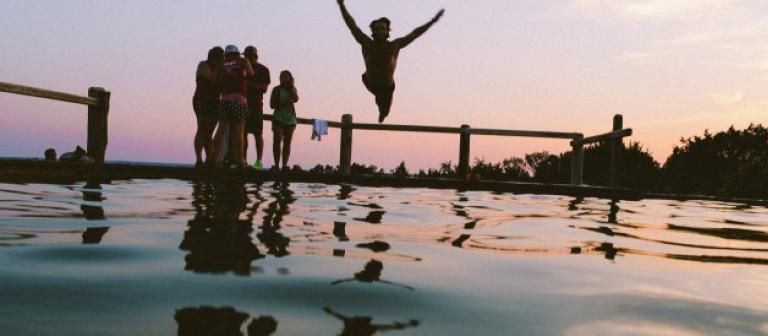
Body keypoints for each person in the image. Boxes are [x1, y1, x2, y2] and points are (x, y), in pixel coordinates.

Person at [336, 0, 444, 123]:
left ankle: (382, 112)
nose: (379, 31)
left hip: (387, 88)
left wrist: (432, 21)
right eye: (376, 29)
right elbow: (352, 26)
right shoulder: (366, 43)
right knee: (378, 97)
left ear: (387, 32)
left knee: (384, 110)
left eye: (383, 29)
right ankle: (380, 102)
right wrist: (342, 5)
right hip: (369, 82)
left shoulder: (394, 45)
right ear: (372, 32)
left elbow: (414, 34)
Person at [211, 44, 254, 170]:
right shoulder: (243, 61)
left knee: (221, 129)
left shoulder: (222, 64)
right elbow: (251, 74)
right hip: (239, 99)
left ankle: (215, 159)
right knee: (239, 131)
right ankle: (240, 161)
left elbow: (214, 79)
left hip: (224, 99)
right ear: (237, 53)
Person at [193, 46, 224, 168]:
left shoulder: (220, 69)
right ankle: (199, 159)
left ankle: (210, 159)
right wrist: (219, 68)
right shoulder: (203, 65)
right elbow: (211, 79)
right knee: (202, 129)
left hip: (215, 101)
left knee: (210, 132)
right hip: (202, 100)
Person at [242, 46, 271, 170]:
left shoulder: (263, 70)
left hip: (256, 105)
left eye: (249, 56)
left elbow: (264, 89)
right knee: (243, 133)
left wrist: (248, 85)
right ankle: (243, 160)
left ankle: (258, 161)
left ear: (255, 57)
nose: (246, 58)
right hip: (242, 104)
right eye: (245, 56)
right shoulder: (241, 68)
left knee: (258, 134)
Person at [269, 70, 299, 171]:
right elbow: (272, 105)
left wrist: (292, 90)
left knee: (287, 142)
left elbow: (296, 99)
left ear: (290, 78)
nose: (283, 78)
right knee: (277, 141)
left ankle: (284, 165)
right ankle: (276, 165)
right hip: (278, 118)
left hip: (290, 119)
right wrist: (284, 103)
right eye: (281, 77)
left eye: (285, 77)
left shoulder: (292, 89)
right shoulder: (276, 89)